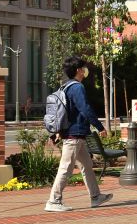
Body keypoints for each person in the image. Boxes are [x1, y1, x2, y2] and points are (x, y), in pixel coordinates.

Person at [44, 56, 113, 212]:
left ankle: (96, 197)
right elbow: (85, 108)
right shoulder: (77, 88)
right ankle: (53, 201)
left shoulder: (65, 87)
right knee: (66, 168)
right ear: (78, 70)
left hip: (76, 134)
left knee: (87, 166)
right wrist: (99, 127)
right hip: (74, 135)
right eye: (83, 68)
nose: (85, 70)